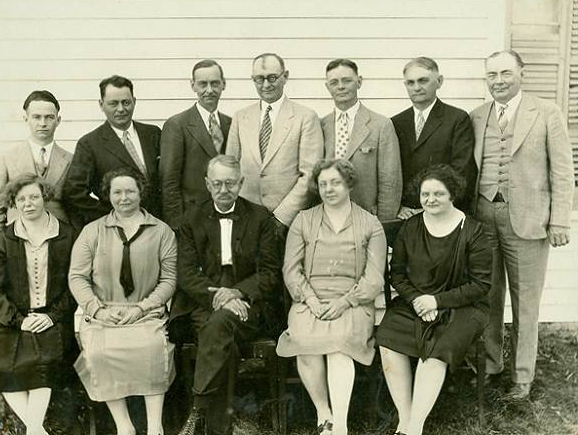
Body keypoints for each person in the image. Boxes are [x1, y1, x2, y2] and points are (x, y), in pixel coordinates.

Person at [471, 50, 574, 399]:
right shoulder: (476, 116)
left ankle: (522, 376)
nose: (498, 81)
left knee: (526, 300)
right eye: (492, 75)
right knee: (487, 296)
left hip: (529, 219)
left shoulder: (547, 113)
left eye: (505, 73)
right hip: (483, 217)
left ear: (521, 74)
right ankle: (491, 365)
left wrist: (560, 219)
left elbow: (562, 171)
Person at [375, 164, 491, 435]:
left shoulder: (472, 231)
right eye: (425, 194)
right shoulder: (410, 228)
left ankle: (415, 427)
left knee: (437, 347)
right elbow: (398, 275)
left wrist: (436, 302)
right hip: (414, 302)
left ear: (453, 194)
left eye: (438, 193)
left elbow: (481, 284)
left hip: (463, 306)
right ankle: (405, 419)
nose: (430, 199)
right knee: (389, 338)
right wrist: (418, 299)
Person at [171, 155, 280, 435]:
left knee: (218, 326)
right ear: (207, 184)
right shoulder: (191, 218)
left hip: (249, 304)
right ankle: (220, 427)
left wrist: (238, 293)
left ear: (241, 183)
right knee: (222, 337)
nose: (224, 190)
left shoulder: (260, 217)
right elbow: (186, 273)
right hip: (204, 301)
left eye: (230, 183)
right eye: (217, 183)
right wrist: (218, 297)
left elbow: (269, 271)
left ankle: (198, 408)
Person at [276, 159, 386, 435]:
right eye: (323, 184)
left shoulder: (370, 225)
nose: (329, 189)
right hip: (309, 300)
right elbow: (291, 270)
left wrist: (344, 302)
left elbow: (373, 279)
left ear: (349, 183)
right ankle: (323, 413)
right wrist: (310, 299)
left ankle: (341, 424)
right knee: (304, 341)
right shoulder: (303, 220)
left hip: (354, 302)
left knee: (340, 345)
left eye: (335, 182)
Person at [69, 167, 177, 435]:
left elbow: (169, 280)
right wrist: (97, 309)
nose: (124, 197)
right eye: (117, 192)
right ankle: (124, 427)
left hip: (146, 312)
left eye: (130, 191)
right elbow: (77, 277)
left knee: (152, 347)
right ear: (108, 195)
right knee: (98, 353)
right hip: (103, 313)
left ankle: (155, 427)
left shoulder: (162, 232)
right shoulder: (92, 232)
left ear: (141, 193)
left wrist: (143, 307)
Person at [0, 174, 78, 435]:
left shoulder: (67, 235)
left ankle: (33, 431)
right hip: (10, 320)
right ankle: (38, 431)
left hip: (51, 318)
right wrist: (19, 319)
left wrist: (52, 316)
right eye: (21, 199)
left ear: (45, 197)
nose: (28, 203)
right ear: (14, 203)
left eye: (34, 197)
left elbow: (75, 286)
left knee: (43, 362)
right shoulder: (4, 238)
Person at [226, 52, 324, 236]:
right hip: (246, 219)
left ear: (285, 76)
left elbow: (310, 175)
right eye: (259, 79)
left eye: (272, 78)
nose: (266, 85)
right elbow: (231, 168)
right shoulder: (240, 117)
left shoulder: (305, 117)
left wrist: (281, 217)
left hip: (287, 223)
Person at [62, 75, 162, 231]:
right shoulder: (89, 144)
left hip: (158, 224)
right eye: (113, 104)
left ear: (134, 102)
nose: (121, 109)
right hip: (118, 229)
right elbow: (74, 193)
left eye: (126, 102)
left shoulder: (153, 134)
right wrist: (110, 216)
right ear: (101, 105)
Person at [0, 90, 72, 251]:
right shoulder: (5, 159)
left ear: (58, 120)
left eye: (49, 117)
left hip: (60, 244)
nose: (43, 123)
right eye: (36, 117)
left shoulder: (71, 160)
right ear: (26, 119)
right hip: (17, 243)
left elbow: (75, 207)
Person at [391, 57, 476, 219]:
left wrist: (430, 206)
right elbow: (392, 172)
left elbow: (461, 170)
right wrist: (400, 206)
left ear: (439, 81)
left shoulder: (457, 119)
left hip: (443, 212)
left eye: (423, 81)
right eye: (410, 82)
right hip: (405, 213)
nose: (416, 88)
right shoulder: (396, 122)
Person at [321, 58, 402, 221]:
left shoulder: (381, 125)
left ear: (359, 82)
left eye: (347, 80)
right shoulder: (320, 125)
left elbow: (390, 181)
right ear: (327, 86)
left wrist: (384, 223)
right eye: (334, 82)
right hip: (327, 217)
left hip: (367, 217)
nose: (341, 86)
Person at [160, 59, 232, 231]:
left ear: (224, 84)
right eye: (202, 84)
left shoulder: (231, 124)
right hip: (191, 219)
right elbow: (169, 182)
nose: (209, 90)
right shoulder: (177, 124)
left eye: (215, 83)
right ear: (193, 85)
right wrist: (177, 227)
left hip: (226, 216)